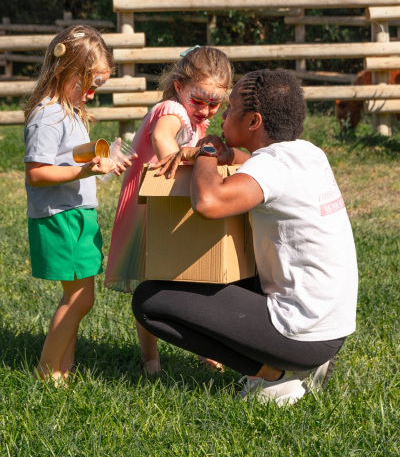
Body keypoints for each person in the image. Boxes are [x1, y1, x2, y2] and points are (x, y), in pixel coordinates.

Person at [132, 68, 358, 407]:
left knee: (149, 301)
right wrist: (226, 156)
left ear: (254, 121)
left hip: (301, 334)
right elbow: (250, 163)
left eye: (230, 107)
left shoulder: (273, 167)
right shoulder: (306, 153)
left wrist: (206, 151)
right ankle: (300, 364)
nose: (222, 113)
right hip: (329, 327)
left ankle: (274, 374)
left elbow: (208, 203)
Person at [104, 45, 233, 374]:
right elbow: (163, 138)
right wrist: (177, 158)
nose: (205, 110)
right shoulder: (172, 111)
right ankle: (151, 361)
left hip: (170, 204)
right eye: (199, 100)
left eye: (214, 103)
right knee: (151, 285)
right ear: (179, 87)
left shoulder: (193, 119)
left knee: (192, 279)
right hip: (150, 210)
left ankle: (207, 350)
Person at [24, 25, 133, 383]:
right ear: (63, 68)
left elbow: (74, 167)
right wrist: (84, 169)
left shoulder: (69, 111)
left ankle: (62, 371)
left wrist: (102, 165)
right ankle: (46, 372)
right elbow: (37, 173)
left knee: (77, 298)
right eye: (88, 84)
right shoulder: (48, 114)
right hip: (61, 218)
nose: (91, 93)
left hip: (77, 215)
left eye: (97, 87)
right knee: (81, 298)